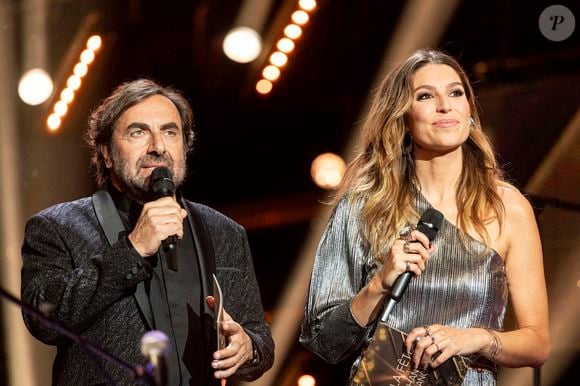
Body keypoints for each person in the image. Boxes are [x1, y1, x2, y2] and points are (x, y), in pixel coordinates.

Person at [300, 49, 550, 385]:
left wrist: (475, 338)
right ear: (402, 117)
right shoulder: (363, 207)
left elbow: (537, 343)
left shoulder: (508, 207)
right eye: (426, 96)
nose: (445, 106)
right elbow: (324, 342)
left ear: (470, 111)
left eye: (455, 93)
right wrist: (378, 284)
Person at [21, 79, 274, 385]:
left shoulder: (224, 232)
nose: (157, 146)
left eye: (170, 132)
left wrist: (248, 348)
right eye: (138, 132)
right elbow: (43, 321)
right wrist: (133, 249)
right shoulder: (57, 227)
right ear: (107, 152)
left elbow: (259, 338)